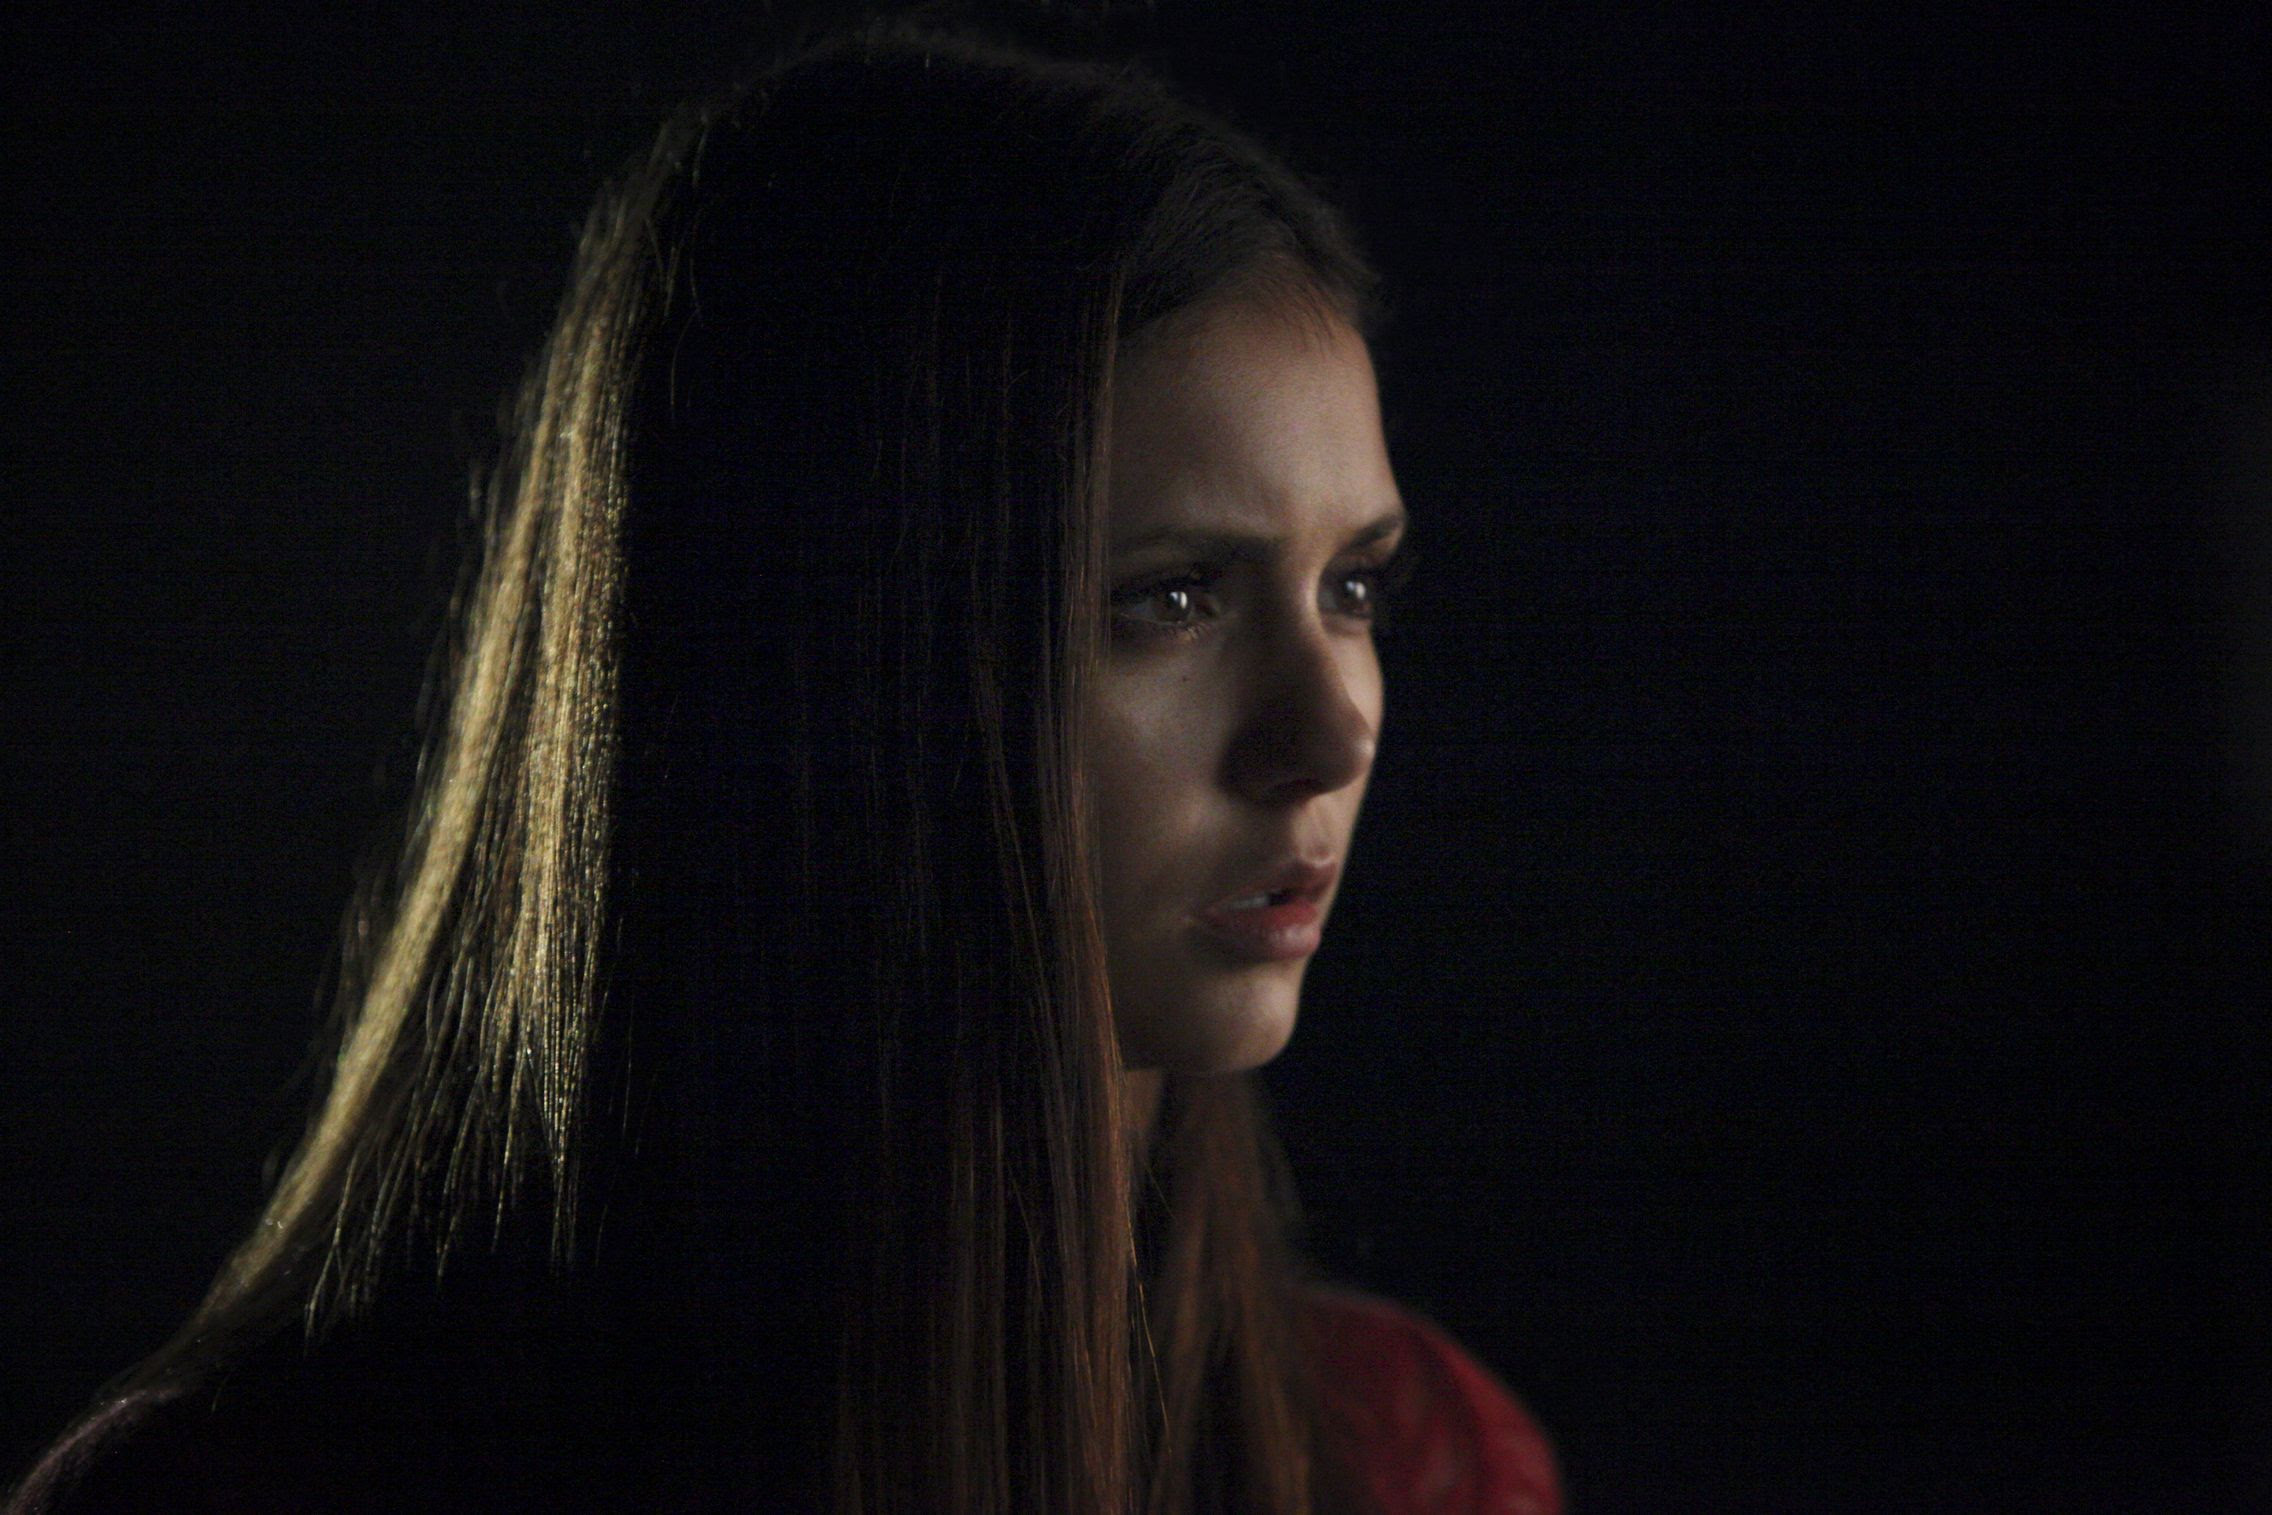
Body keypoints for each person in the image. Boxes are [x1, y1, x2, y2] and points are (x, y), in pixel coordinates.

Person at [11, 20, 1560, 1514]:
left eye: (1353, 587)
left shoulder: (1408, 1461)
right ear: (828, 653)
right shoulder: (250, 1490)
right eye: (1169, 600)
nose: (1332, 732)